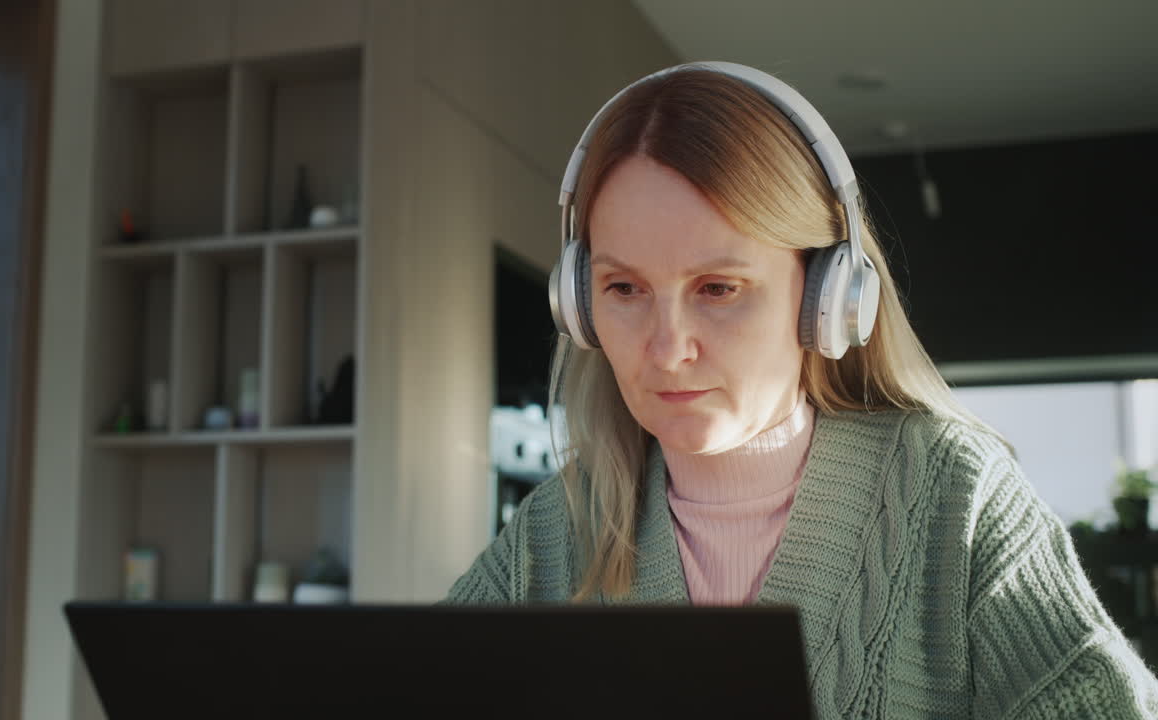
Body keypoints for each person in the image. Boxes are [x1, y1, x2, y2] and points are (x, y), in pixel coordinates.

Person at [442, 62, 1158, 718]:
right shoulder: (553, 532)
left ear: (826, 297)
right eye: (623, 288)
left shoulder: (957, 497)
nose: (666, 349)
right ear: (580, 305)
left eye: (718, 288)